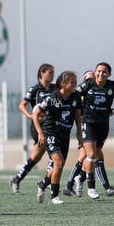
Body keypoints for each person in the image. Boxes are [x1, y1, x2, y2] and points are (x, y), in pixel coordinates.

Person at [76, 62, 114, 199]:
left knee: (95, 154)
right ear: (95, 72)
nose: (101, 74)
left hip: (103, 124)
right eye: (98, 71)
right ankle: (91, 188)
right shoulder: (88, 84)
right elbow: (74, 97)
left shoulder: (113, 86)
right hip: (88, 122)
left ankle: (79, 178)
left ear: (109, 74)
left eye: (104, 72)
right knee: (92, 155)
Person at [63, 70, 114, 197]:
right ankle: (103, 187)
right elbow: (77, 111)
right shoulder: (82, 95)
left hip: (95, 128)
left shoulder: (93, 93)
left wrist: (106, 111)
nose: (91, 80)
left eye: (92, 78)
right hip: (86, 128)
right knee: (92, 156)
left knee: (89, 157)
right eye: (88, 79)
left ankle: (72, 183)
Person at [34, 71, 82, 204]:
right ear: (63, 84)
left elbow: (78, 116)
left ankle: (43, 184)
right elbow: (35, 114)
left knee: (58, 166)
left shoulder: (76, 96)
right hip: (51, 132)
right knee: (59, 162)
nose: (74, 84)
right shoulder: (53, 98)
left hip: (65, 135)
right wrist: (40, 133)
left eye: (75, 81)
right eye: (72, 82)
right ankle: (54, 196)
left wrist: (79, 134)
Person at [9, 63, 55, 194]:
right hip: (38, 126)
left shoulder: (54, 88)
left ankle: (17, 179)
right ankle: (48, 181)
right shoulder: (35, 89)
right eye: (50, 72)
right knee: (54, 153)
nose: (52, 75)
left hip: (51, 125)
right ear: (42, 73)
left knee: (36, 157)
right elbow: (22, 105)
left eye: (53, 73)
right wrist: (30, 115)